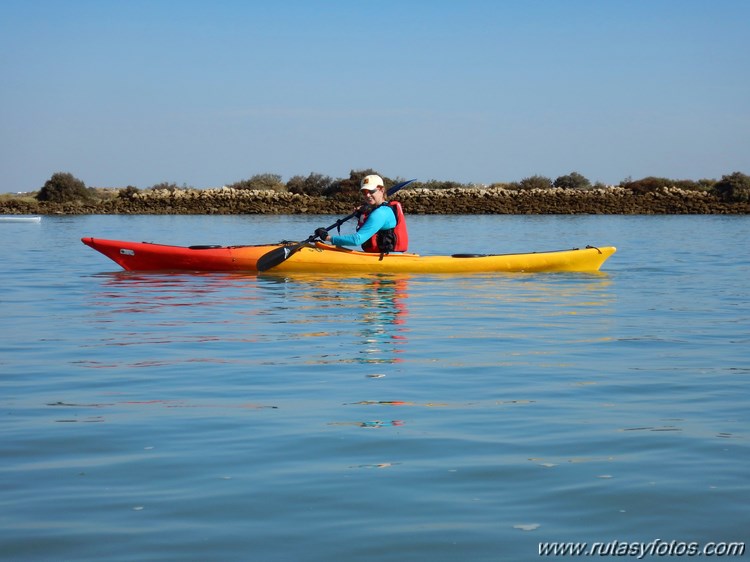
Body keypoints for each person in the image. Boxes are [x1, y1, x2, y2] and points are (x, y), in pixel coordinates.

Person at [315, 174, 408, 255]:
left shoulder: (380, 213)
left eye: (371, 191)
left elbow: (357, 240)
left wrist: (327, 238)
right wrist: (360, 216)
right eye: (364, 192)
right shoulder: (379, 210)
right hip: (382, 255)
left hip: (387, 260)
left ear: (382, 190)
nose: (367, 195)